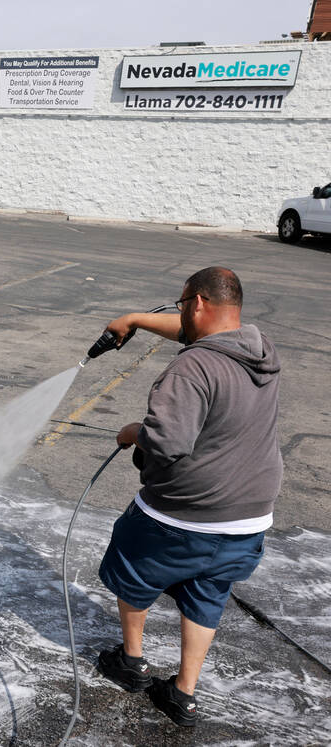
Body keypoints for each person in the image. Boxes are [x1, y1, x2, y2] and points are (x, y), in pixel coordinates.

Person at [95, 266, 282, 727]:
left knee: (134, 565)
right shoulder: (257, 349)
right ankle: (183, 694)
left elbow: (167, 442)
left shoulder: (193, 367)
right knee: (207, 593)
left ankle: (132, 662)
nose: (179, 313)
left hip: (187, 515)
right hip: (248, 520)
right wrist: (135, 319)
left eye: (181, 304)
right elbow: (193, 335)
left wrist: (132, 432)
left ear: (198, 302)